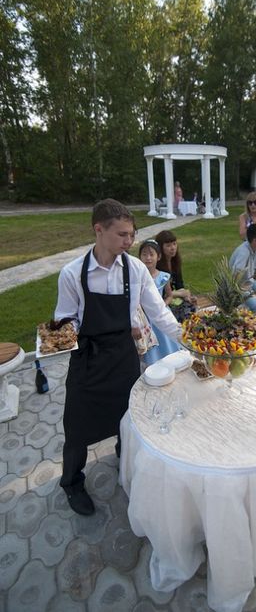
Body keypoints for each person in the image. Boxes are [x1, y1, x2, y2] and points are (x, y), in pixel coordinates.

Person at [55, 199, 180, 515]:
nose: (130, 241)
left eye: (132, 234)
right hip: (88, 359)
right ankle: (71, 482)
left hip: (124, 357)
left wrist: (188, 338)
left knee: (128, 418)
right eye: (123, 235)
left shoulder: (136, 270)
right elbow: (65, 319)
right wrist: (55, 338)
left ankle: (126, 464)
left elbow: (158, 312)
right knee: (77, 428)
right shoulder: (71, 274)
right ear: (99, 230)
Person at [138, 238, 180, 364]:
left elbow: (169, 295)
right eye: (144, 254)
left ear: (159, 256)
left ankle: (169, 356)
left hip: (160, 312)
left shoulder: (163, 277)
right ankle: (152, 361)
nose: (148, 258)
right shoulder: (138, 277)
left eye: (151, 254)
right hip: (145, 317)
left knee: (165, 338)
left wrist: (164, 304)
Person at [155, 229, 197, 322]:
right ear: (161, 248)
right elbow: (160, 293)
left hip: (174, 299)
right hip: (163, 302)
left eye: (174, 244)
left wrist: (187, 296)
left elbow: (180, 285)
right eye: (168, 245)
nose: (173, 248)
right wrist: (181, 293)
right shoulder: (157, 266)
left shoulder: (175, 262)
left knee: (192, 307)